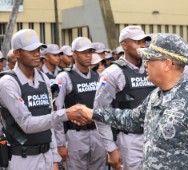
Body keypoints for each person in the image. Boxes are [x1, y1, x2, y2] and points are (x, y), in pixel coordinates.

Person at [79, 33, 188, 169]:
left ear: (167, 64)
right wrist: (93, 113)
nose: (145, 64)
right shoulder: (156, 95)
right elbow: (133, 119)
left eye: (149, 59)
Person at [0, 29, 88, 170]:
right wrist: (66, 114)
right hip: (22, 159)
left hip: (46, 155)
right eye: (31, 50)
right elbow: (27, 124)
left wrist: (54, 157)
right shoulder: (8, 83)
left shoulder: (43, 79)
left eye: (38, 49)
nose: (37, 54)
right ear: (17, 53)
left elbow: (49, 122)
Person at [94, 25, 154, 170]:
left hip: (154, 136)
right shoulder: (112, 73)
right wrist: (111, 148)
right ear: (124, 45)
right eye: (137, 42)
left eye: (143, 42)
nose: (142, 46)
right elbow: (100, 112)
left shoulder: (152, 67)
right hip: (129, 140)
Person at [53, 37, 106, 170]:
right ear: (74, 54)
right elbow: (57, 110)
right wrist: (60, 144)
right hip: (75, 135)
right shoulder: (64, 77)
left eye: (90, 52)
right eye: (83, 52)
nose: (88, 56)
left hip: (97, 133)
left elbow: (104, 107)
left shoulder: (98, 77)